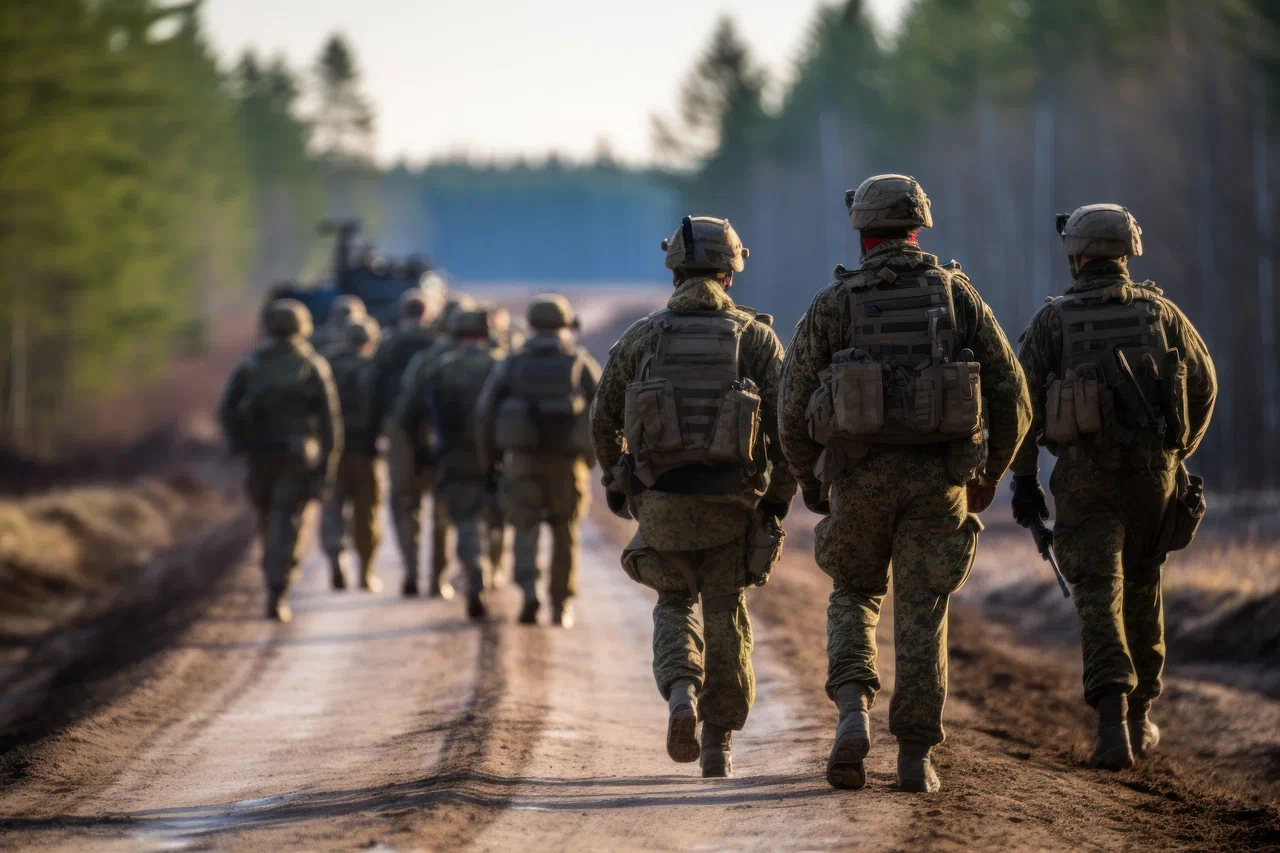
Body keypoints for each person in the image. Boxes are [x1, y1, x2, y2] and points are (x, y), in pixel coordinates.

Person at [778, 175, 1031, 793]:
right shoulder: (956, 294)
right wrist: (989, 476)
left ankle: (852, 713)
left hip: (858, 478)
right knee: (923, 611)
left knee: (855, 595)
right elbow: (1014, 397)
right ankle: (915, 757)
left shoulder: (833, 304)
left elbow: (790, 407)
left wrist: (813, 482)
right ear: (919, 228)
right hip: (940, 482)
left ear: (863, 234)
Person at [1010, 204, 1217, 770]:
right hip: (1153, 483)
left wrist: (1023, 480)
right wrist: (1176, 451)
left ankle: (1110, 724)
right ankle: (1140, 716)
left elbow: (1019, 405)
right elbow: (1204, 384)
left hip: (1085, 484)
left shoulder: (1054, 322)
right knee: (1144, 589)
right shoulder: (1161, 313)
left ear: (1076, 256)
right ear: (1127, 252)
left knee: (1099, 596)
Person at [591, 216, 796, 779]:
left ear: (675, 269)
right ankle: (717, 742)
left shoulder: (643, 336)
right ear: (730, 272)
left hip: (662, 504)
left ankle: (681, 688)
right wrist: (776, 500)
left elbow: (603, 418)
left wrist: (621, 483)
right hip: (733, 505)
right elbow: (787, 426)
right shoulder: (754, 337)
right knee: (725, 611)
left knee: (675, 602)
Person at [476, 294, 601, 628]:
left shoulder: (512, 362)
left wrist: (492, 460)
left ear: (531, 325)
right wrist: (593, 457)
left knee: (525, 528)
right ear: (564, 325)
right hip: (567, 463)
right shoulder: (577, 359)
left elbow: (485, 412)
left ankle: (529, 591)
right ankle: (562, 605)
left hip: (523, 460)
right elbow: (606, 407)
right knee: (565, 532)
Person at [218, 299, 342, 622]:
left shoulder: (251, 365)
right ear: (302, 327)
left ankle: (273, 577)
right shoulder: (311, 365)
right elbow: (330, 423)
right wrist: (326, 467)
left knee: (266, 521)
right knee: (290, 523)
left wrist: (239, 446)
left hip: (260, 457)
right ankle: (279, 587)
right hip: (297, 458)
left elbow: (227, 410)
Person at [396, 308, 505, 621]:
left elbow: (407, 414)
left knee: (466, 521)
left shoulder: (439, 369)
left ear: (454, 336)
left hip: (454, 456)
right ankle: (490, 568)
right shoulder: (499, 366)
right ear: (485, 335)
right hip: (496, 458)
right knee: (493, 519)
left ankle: (475, 573)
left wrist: (421, 451)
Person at [366, 287, 445, 597]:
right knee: (441, 505)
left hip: (398, 431)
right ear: (428, 314)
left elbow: (371, 387)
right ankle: (438, 578)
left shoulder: (387, 344)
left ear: (403, 313)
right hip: (436, 429)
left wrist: (375, 433)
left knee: (404, 501)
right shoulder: (438, 345)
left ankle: (411, 569)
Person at [320, 321, 384, 592]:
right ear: (369, 341)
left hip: (331, 452)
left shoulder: (325, 365)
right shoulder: (373, 369)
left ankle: (336, 554)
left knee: (332, 507)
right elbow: (383, 407)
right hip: (365, 452)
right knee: (366, 512)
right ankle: (366, 572)